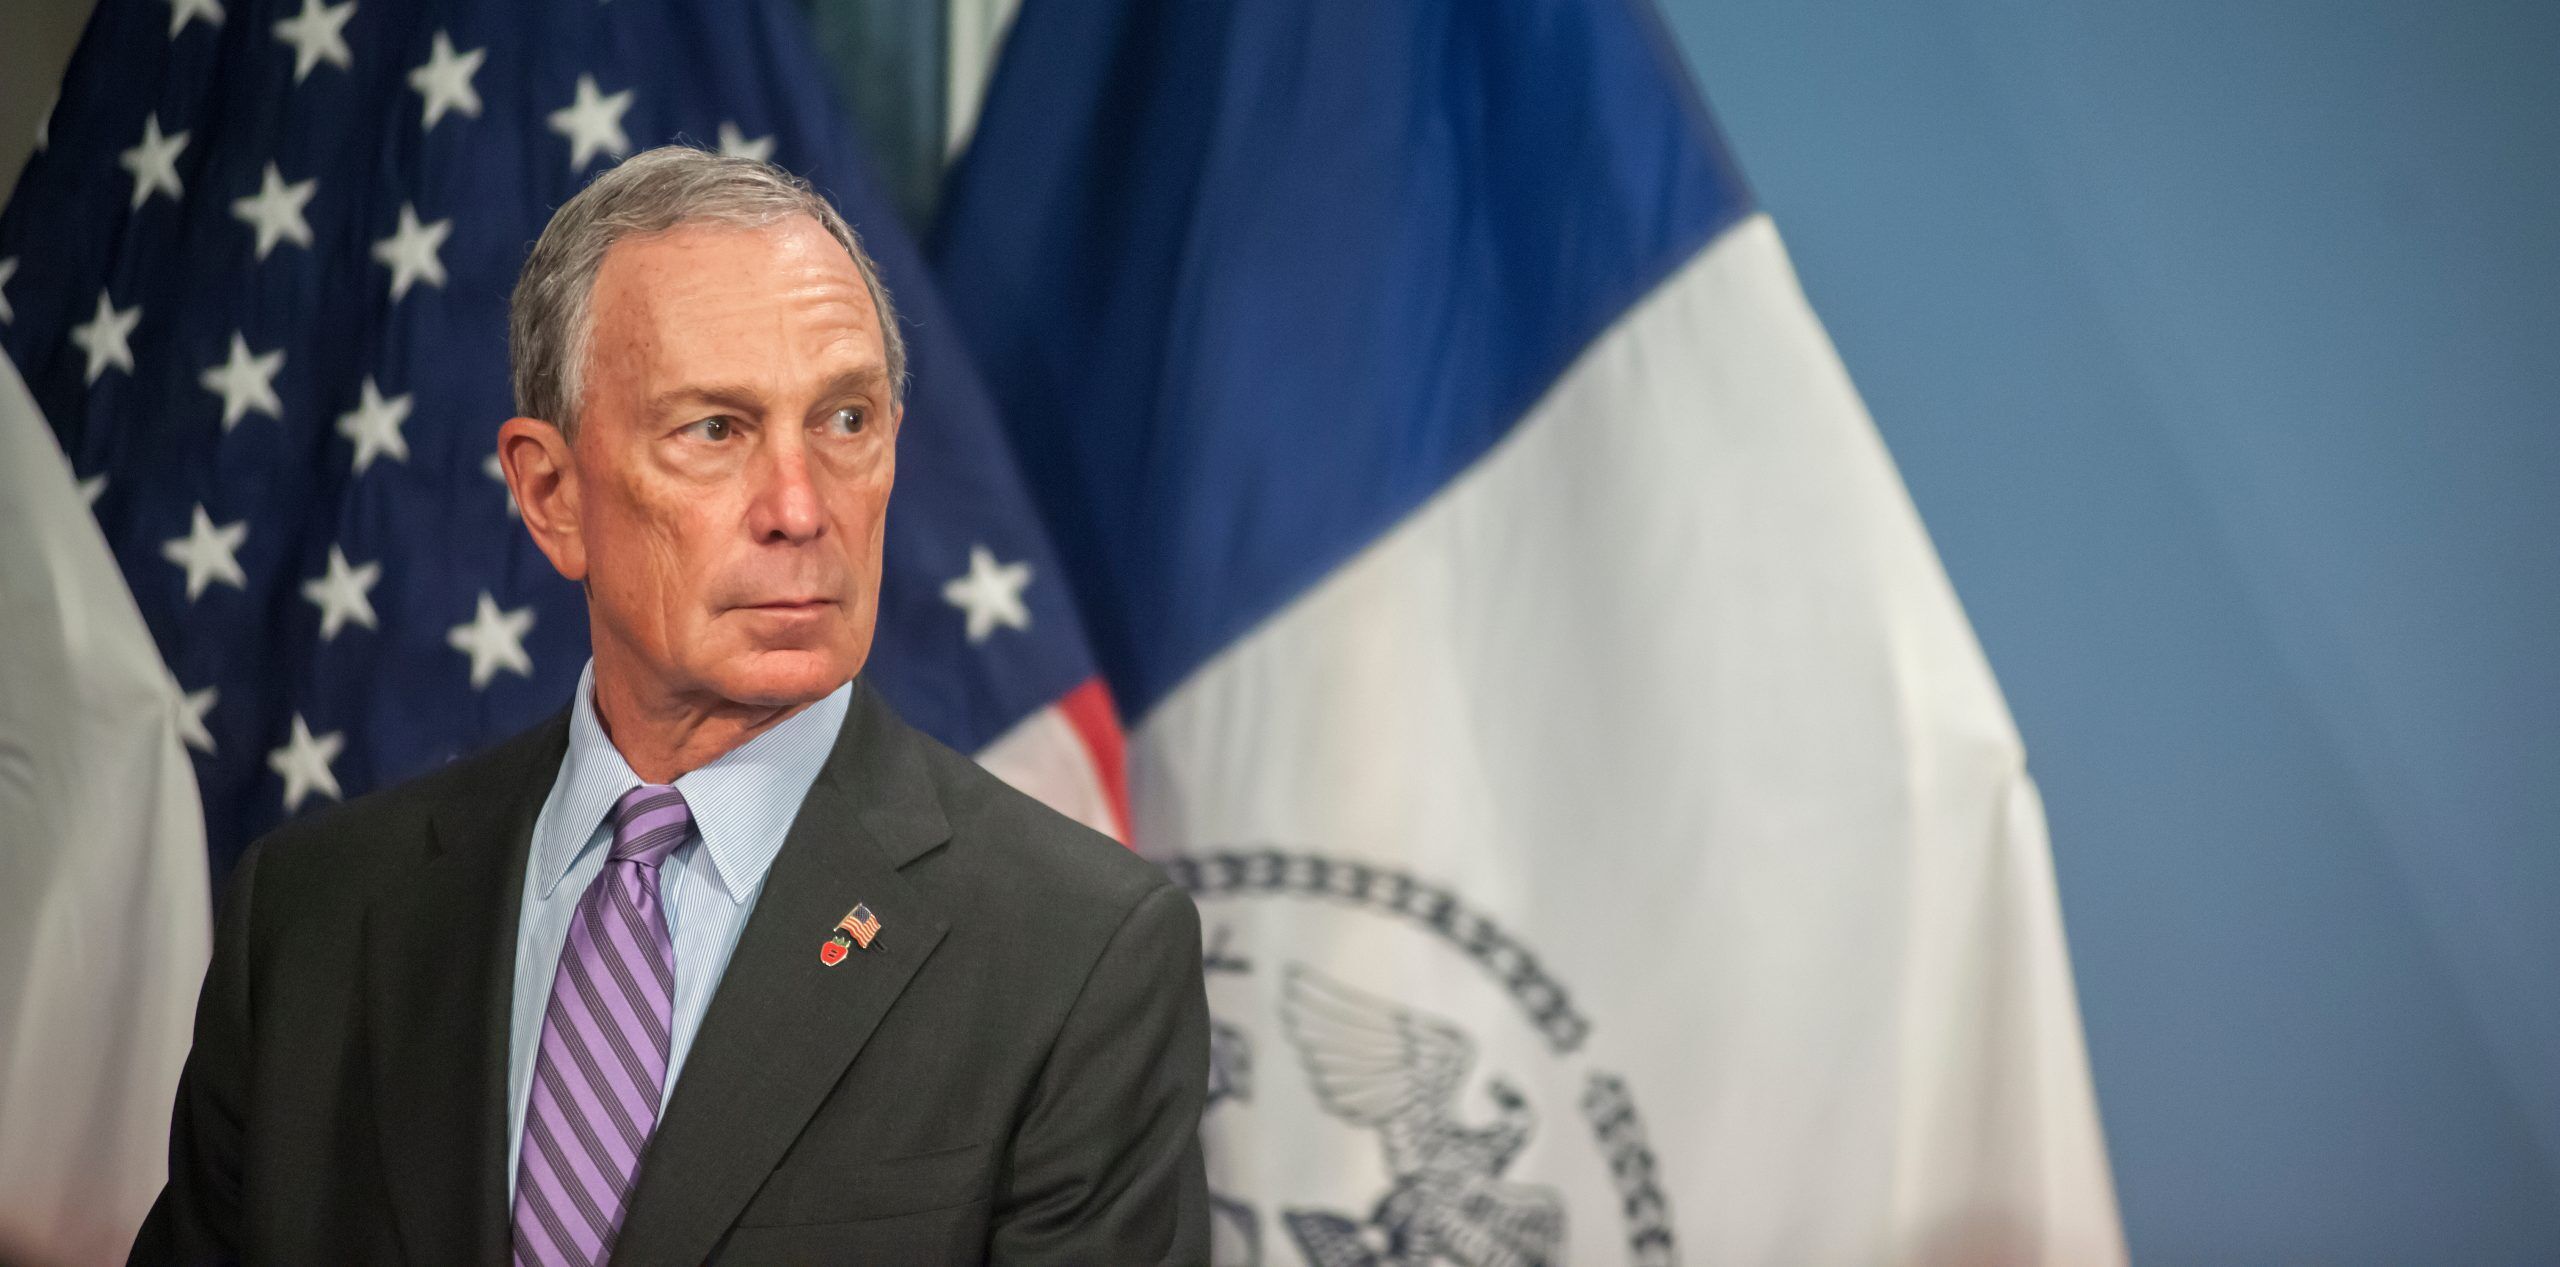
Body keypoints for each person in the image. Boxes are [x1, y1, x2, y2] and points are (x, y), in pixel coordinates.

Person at [130, 146, 1211, 1265]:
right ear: (551, 494)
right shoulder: (311, 922)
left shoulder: (1076, 956)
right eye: (715, 430)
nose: (800, 508)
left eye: (844, 421)